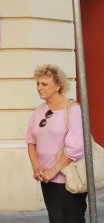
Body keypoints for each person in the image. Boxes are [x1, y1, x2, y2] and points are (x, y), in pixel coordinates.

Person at [25, 64, 87, 223]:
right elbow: (31, 143)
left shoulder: (72, 109)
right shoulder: (38, 111)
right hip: (47, 178)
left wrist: (53, 171)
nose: (39, 88)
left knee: (73, 219)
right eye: (37, 84)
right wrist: (37, 168)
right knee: (55, 219)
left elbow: (75, 148)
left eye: (44, 84)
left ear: (58, 86)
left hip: (70, 178)